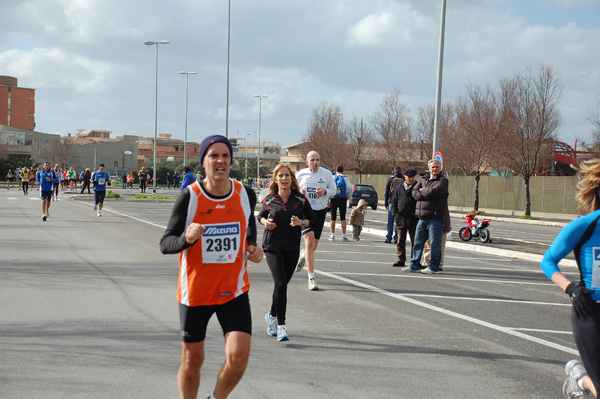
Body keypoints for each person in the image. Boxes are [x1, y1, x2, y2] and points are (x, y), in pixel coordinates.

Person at [160, 135, 262, 399]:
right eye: (214, 156)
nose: (220, 161)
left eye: (225, 155)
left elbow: (248, 224)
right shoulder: (190, 197)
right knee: (193, 362)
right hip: (196, 293)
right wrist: (186, 239)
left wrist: (252, 246)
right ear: (203, 162)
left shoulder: (244, 193)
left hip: (233, 290)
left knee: (238, 357)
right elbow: (165, 242)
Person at [541, 159, 600, 399]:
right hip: (589, 312)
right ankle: (579, 378)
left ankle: (581, 379)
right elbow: (548, 261)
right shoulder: (585, 226)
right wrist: (570, 289)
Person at [258, 163, 316, 342]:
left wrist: (302, 222)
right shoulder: (269, 199)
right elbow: (259, 216)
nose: (284, 179)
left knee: (281, 285)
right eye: (280, 176)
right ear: (276, 179)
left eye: (287, 176)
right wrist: (265, 223)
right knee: (281, 283)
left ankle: (272, 315)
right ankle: (281, 326)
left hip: (291, 247)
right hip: (272, 246)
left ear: (292, 179)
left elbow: (312, 220)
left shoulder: (300, 199)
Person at [295, 150, 336, 291]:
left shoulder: (327, 174)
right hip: (305, 211)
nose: (315, 162)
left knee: (313, 247)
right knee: (309, 242)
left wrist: (325, 192)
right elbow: (292, 190)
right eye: (312, 160)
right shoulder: (300, 175)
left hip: (320, 211)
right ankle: (311, 278)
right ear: (307, 162)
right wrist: (299, 192)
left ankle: (303, 254)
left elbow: (334, 190)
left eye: (317, 159)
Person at [402, 159, 449, 275]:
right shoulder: (423, 179)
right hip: (422, 217)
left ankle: (433, 267)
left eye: (437, 167)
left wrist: (423, 191)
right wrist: (424, 191)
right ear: (429, 168)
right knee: (418, 242)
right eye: (433, 167)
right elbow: (414, 192)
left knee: (435, 244)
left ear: (440, 168)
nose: (435, 169)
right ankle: (414, 264)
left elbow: (434, 192)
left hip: (435, 218)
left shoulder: (443, 181)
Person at [390, 168, 419, 267]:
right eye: (408, 177)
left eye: (412, 177)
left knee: (415, 241)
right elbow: (394, 202)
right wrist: (395, 214)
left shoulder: (418, 187)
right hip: (401, 218)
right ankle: (400, 259)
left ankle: (414, 260)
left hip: (414, 219)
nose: (410, 179)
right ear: (405, 177)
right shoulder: (400, 188)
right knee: (400, 240)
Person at [328, 165, 352, 242]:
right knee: (343, 218)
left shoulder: (333, 177)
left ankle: (332, 235)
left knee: (333, 217)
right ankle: (344, 235)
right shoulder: (345, 178)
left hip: (334, 198)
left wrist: (328, 199)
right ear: (343, 170)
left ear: (336, 170)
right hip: (342, 199)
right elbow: (349, 188)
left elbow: (329, 187)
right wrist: (347, 196)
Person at [384, 167, 404, 244]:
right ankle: (397, 238)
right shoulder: (403, 179)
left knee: (390, 221)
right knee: (398, 221)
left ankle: (389, 237)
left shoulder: (390, 179)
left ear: (394, 171)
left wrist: (386, 202)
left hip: (391, 201)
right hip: (400, 202)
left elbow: (386, 191)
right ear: (401, 171)